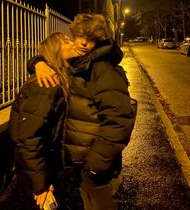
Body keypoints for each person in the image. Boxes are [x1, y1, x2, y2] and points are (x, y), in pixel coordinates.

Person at [27, 13, 135, 210]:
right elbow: (53, 54)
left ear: (100, 40)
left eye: (91, 39)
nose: (84, 43)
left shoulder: (101, 68)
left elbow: (120, 120)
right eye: (80, 37)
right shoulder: (79, 63)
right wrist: (37, 62)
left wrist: (94, 166)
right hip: (80, 164)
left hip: (96, 170)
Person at [8, 32, 80, 210]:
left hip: (47, 163)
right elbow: (29, 138)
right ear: (55, 50)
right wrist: (40, 186)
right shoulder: (45, 84)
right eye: (66, 41)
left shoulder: (62, 76)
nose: (72, 43)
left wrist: (36, 62)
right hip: (38, 166)